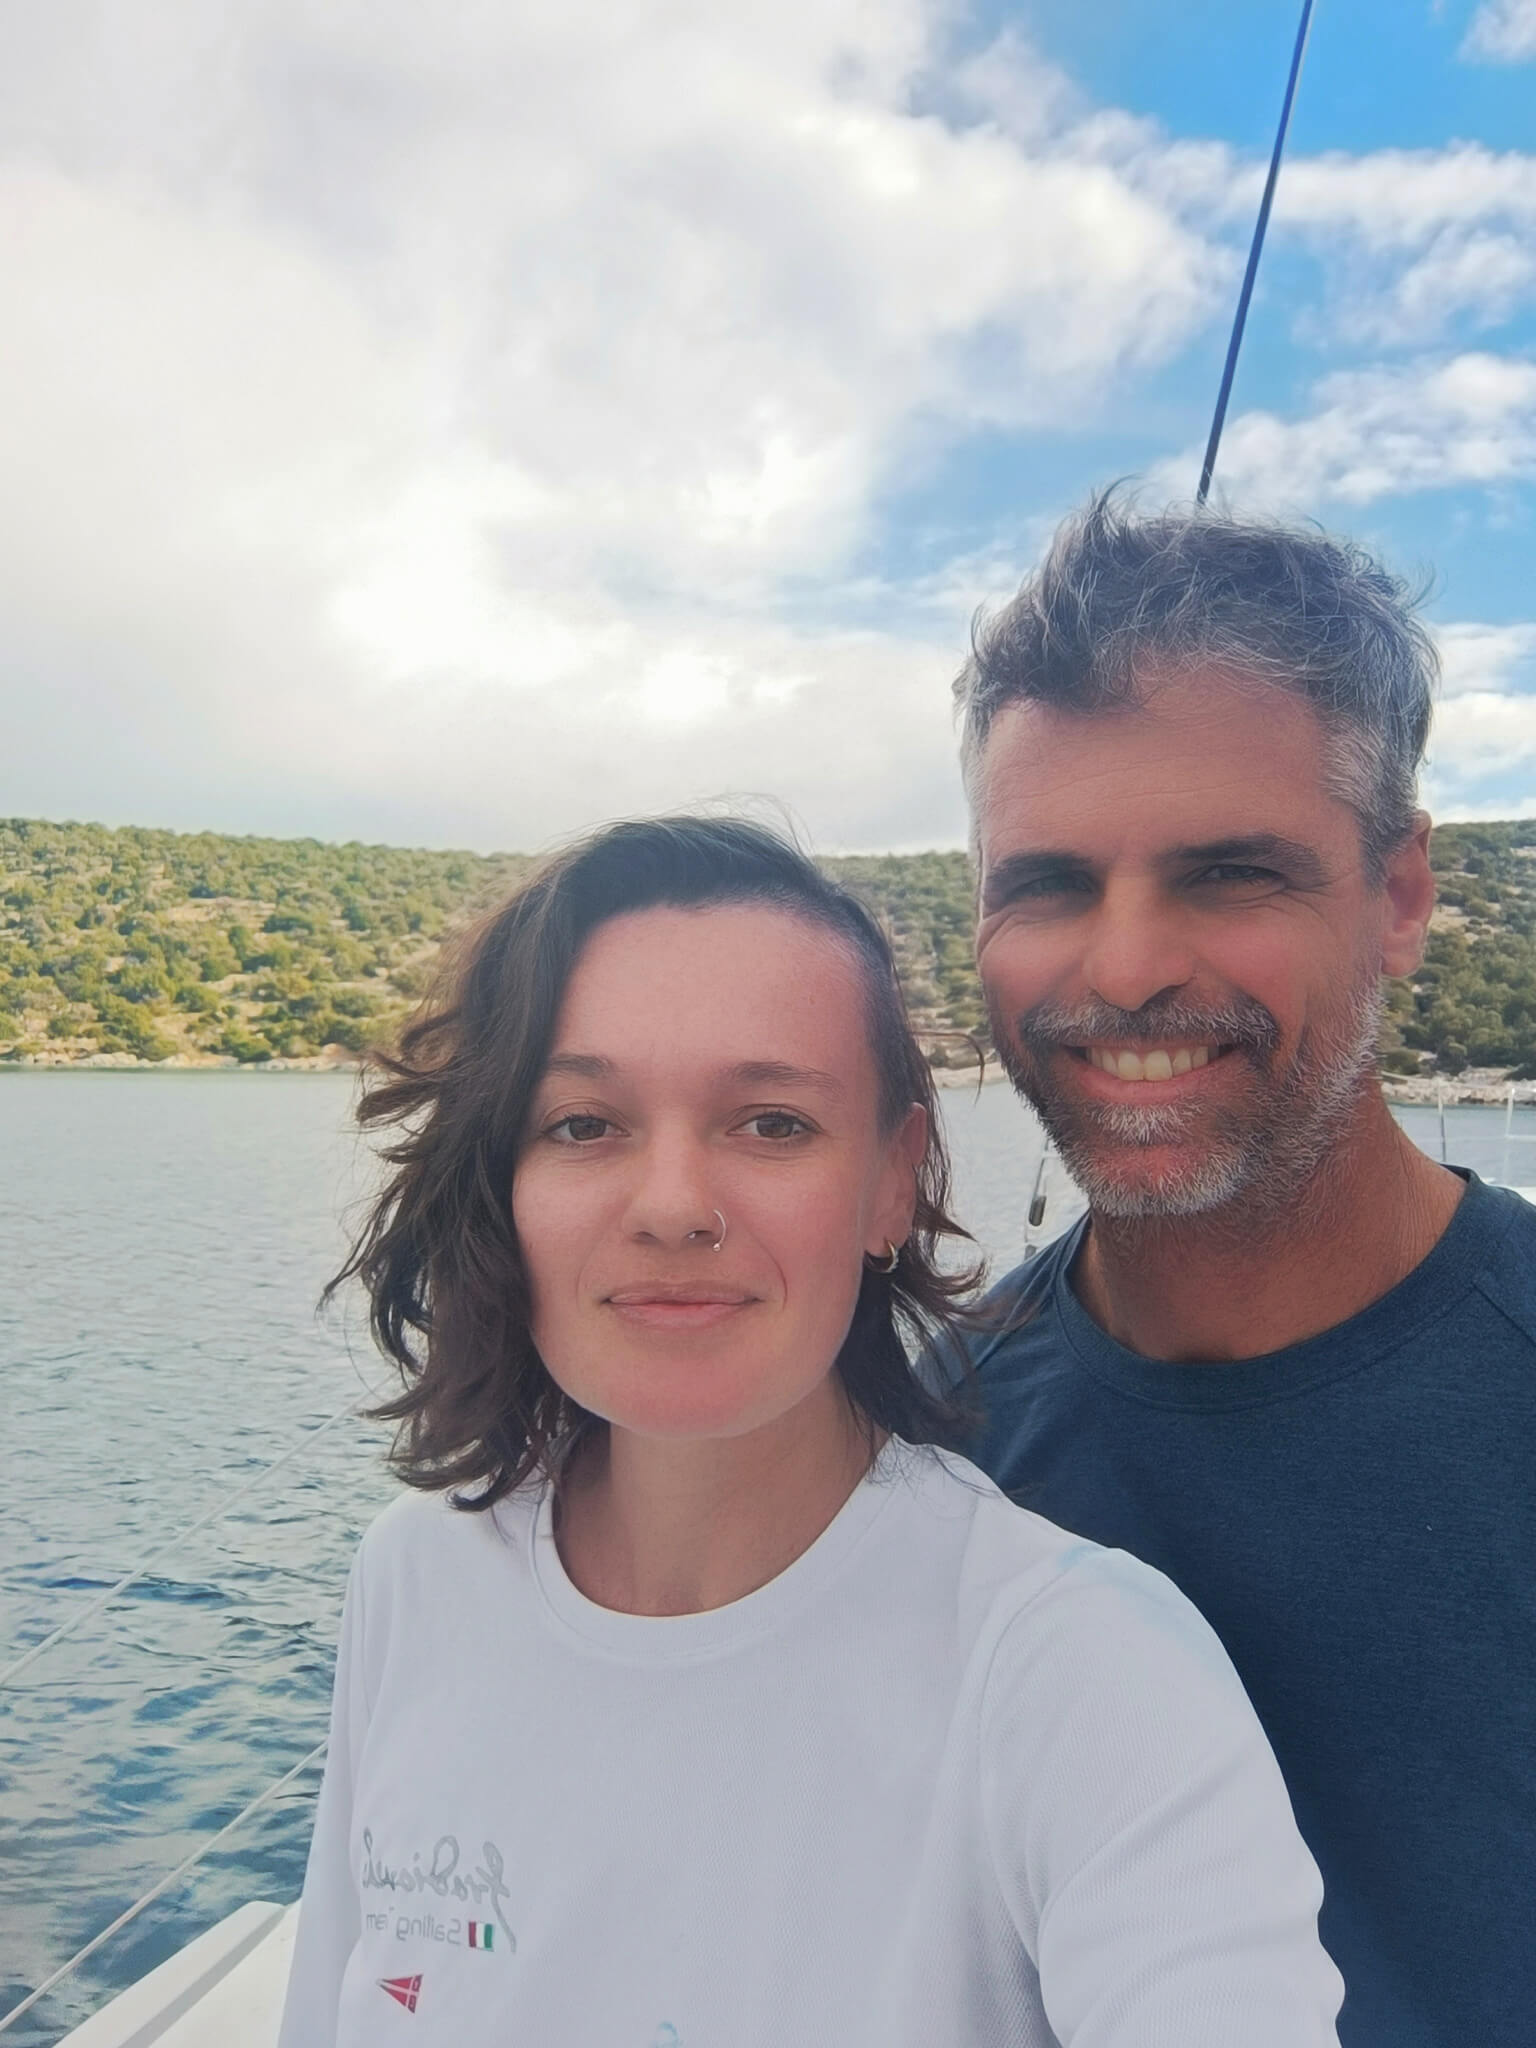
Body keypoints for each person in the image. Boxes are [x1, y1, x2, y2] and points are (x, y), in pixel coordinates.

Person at [278, 814, 1342, 2047]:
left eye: (772, 1122)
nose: (674, 1205)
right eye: (583, 1122)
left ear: (893, 1176)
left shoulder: (1082, 1673)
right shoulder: (415, 1575)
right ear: (503, 1180)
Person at [954, 490, 1536, 2048]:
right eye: (1049, 883)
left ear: (1400, 895)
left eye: (1230, 874)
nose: (1127, 966)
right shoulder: (906, 1439)